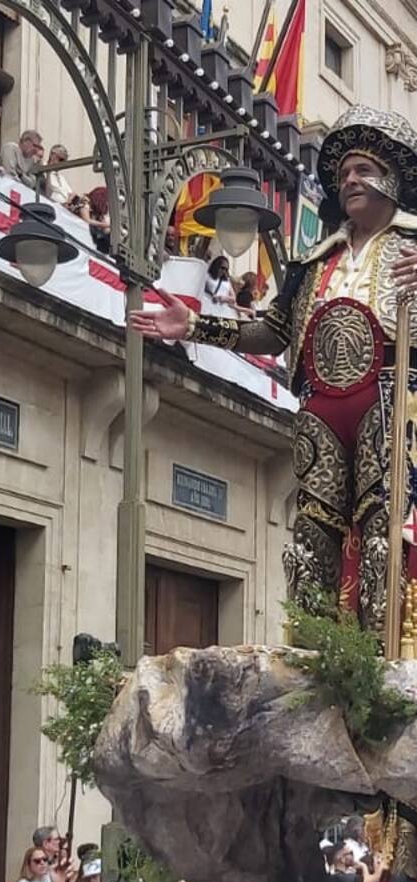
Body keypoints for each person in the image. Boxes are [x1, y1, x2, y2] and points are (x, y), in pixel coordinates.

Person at [130, 105, 417, 640]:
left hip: (392, 400)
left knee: (385, 521)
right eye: (344, 173)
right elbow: (271, 332)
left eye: (363, 170)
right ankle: (314, 644)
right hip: (320, 410)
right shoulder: (314, 261)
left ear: (392, 178)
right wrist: (194, 325)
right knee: (314, 525)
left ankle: (385, 647)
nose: (350, 180)